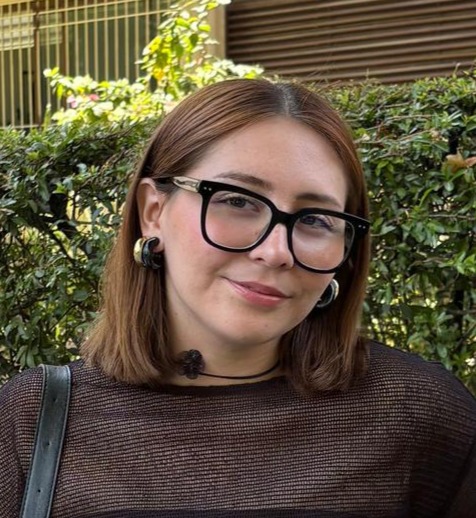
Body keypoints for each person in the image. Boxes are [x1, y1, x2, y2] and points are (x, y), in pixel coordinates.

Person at [0, 78, 475, 518]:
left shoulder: (418, 415)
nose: (276, 251)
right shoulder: (31, 421)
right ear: (154, 211)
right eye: (237, 200)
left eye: (315, 220)